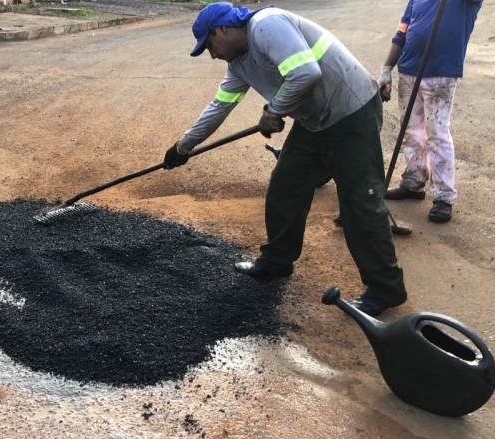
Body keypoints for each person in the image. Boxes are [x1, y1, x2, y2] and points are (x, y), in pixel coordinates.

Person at [163, 3, 407, 316]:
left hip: (351, 111)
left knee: (360, 203)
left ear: (221, 29)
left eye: (209, 45)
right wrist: (184, 147)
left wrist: (274, 111)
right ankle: (277, 261)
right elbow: (219, 106)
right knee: (285, 188)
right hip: (313, 122)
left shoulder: (267, 24)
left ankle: (386, 288)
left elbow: (306, 72)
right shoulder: (239, 64)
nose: (211, 54)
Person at [378, 0, 482, 223]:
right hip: (408, 69)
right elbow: (402, 30)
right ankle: (413, 182)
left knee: (437, 134)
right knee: (411, 132)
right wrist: (387, 68)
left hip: (440, 73)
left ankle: (443, 197)